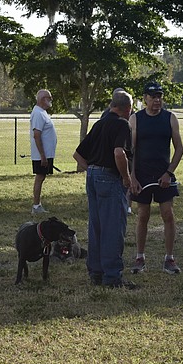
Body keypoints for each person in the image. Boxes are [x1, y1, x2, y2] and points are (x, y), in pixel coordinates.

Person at [73, 89, 137, 289]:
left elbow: (77, 155)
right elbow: (119, 153)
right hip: (110, 177)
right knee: (113, 228)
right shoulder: (122, 124)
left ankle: (96, 272)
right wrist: (126, 178)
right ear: (128, 109)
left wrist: (93, 170)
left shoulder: (99, 124)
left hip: (92, 176)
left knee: (96, 226)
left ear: (112, 105)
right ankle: (112, 276)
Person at [128, 82, 183, 275]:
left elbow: (179, 149)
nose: (157, 100)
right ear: (145, 98)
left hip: (164, 175)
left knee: (167, 214)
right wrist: (132, 177)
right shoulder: (135, 119)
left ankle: (169, 258)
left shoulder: (170, 118)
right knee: (143, 215)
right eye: (153, 97)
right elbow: (131, 151)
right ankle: (139, 257)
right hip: (142, 175)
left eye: (159, 96)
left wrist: (168, 173)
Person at [30, 89, 57, 214]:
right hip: (42, 155)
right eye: (49, 98)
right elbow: (37, 135)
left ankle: (38, 204)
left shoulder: (42, 113)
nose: (51, 100)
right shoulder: (38, 113)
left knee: (42, 177)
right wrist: (42, 156)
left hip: (46, 154)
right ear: (43, 99)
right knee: (40, 177)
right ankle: (36, 205)